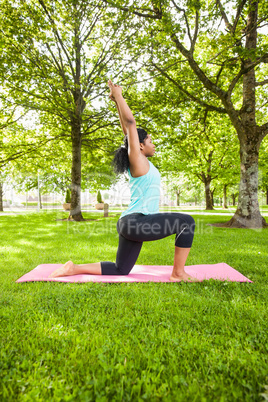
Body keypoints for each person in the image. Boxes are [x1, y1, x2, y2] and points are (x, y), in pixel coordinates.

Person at [49, 80, 197, 282]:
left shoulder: (140, 161)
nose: (154, 144)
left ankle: (73, 268)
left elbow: (127, 134)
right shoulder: (138, 160)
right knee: (186, 222)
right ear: (141, 147)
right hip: (137, 222)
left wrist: (116, 102)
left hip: (130, 223)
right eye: (150, 141)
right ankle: (178, 273)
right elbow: (130, 125)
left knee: (121, 269)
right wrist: (119, 96)